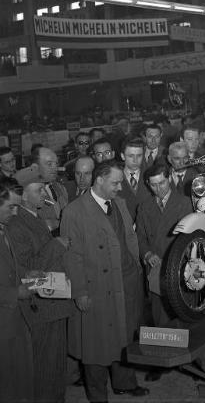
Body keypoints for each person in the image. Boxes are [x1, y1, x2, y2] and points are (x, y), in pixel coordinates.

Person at [61, 160, 149, 402]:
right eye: (115, 182)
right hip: (97, 288)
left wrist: (138, 270)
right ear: (99, 180)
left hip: (126, 282)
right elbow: (71, 256)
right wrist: (79, 291)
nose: (120, 187)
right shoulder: (74, 212)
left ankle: (124, 383)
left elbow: (129, 239)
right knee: (96, 345)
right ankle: (98, 396)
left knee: (125, 337)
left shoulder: (119, 203)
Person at [7, 178, 73, 403]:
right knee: (46, 366)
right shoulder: (16, 224)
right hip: (42, 306)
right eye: (38, 190)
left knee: (54, 366)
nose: (45, 193)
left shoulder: (34, 217)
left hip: (51, 302)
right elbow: (27, 269)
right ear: (23, 196)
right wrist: (56, 244)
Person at [136, 162, 193, 328]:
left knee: (182, 317)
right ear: (148, 184)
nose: (158, 188)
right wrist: (147, 254)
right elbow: (139, 237)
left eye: (161, 183)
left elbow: (191, 238)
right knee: (160, 318)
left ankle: (188, 353)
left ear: (170, 179)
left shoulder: (186, 203)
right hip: (156, 270)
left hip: (180, 269)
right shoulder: (144, 207)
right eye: (153, 185)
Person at [0, 179, 35, 403]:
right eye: (10, 207)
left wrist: (28, 275)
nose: (15, 212)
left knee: (20, 379)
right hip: (4, 320)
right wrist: (15, 294)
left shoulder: (4, 229)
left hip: (14, 320)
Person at [16, 146, 68, 233]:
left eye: (56, 163)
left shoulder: (61, 188)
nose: (55, 168)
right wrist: (49, 225)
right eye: (49, 164)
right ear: (35, 167)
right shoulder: (25, 192)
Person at [120, 137, 148, 222]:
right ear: (122, 156)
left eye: (139, 156)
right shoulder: (113, 178)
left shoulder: (150, 176)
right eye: (131, 156)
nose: (135, 160)